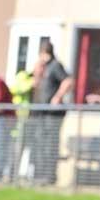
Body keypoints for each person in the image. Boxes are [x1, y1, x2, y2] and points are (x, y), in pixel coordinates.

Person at [31, 41, 73, 184]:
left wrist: (58, 96)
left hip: (52, 114)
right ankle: (38, 174)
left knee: (49, 144)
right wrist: (37, 73)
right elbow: (34, 84)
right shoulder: (43, 67)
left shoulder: (55, 65)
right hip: (41, 112)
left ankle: (48, 176)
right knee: (39, 143)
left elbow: (67, 81)